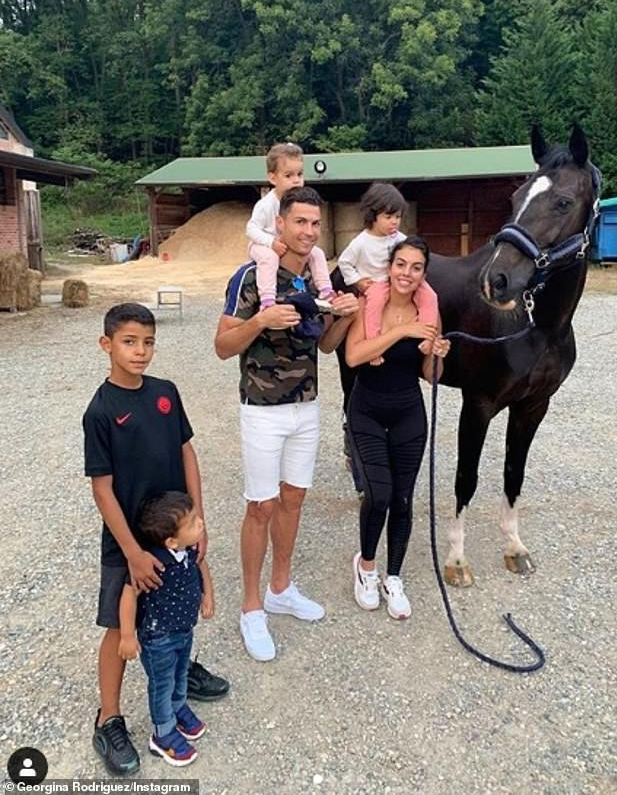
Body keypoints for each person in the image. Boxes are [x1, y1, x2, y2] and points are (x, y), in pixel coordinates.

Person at [83, 303, 229, 776]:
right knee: (118, 623)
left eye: (148, 342)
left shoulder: (166, 392)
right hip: (127, 542)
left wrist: (197, 518)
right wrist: (131, 552)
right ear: (106, 345)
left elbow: (187, 452)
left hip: (175, 533)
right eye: (129, 341)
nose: (140, 351)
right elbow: (102, 488)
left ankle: (177, 677)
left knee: (178, 606)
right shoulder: (101, 411)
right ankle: (108, 718)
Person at [215, 186, 359, 662]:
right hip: (262, 409)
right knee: (261, 505)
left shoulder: (316, 279)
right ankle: (251, 607)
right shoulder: (251, 276)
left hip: (306, 406)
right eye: (300, 221)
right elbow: (222, 346)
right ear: (279, 223)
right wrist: (261, 320)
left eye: (316, 223)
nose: (309, 231)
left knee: (293, 499)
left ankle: (280, 588)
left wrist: (344, 316)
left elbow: (326, 346)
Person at [345, 236, 450, 619]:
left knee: (403, 498)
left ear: (424, 274)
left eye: (416, 267)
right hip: (367, 410)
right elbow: (355, 355)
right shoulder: (368, 303)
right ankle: (366, 567)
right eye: (401, 264)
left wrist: (438, 355)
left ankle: (393, 576)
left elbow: (431, 375)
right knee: (378, 495)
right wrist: (402, 332)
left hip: (408, 411)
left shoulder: (429, 311)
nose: (407, 273)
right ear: (390, 267)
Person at [118, 491, 214, 767]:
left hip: (184, 630)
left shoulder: (190, 549)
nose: (200, 523)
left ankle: (178, 707)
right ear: (171, 540)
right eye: (193, 522)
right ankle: (163, 733)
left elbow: (201, 566)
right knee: (162, 684)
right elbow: (129, 593)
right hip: (158, 637)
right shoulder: (155, 562)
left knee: (180, 673)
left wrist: (208, 595)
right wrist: (127, 635)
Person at [337, 182, 437, 349]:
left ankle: (428, 335)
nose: (394, 222)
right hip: (377, 284)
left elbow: (412, 251)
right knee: (374, 304)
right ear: (373, 215)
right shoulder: (361, 242)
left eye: (398, 217)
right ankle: (373, 342)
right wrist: (357, 280)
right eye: (388, 217)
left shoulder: (399, 238)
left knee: (429, 295)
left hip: (400, 281)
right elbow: (344, 262)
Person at [246, 142, 335, 310]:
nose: (296, 180)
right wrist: (271, 243)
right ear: (273, 178)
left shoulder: (300, 203)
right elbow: (251, 229)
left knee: (317, 253)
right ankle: (267, 300)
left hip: (284, 245)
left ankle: (325, 289)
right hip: (263, 245)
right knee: (269, 259)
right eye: (288, 175)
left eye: (299, 174)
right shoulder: (266, 205)